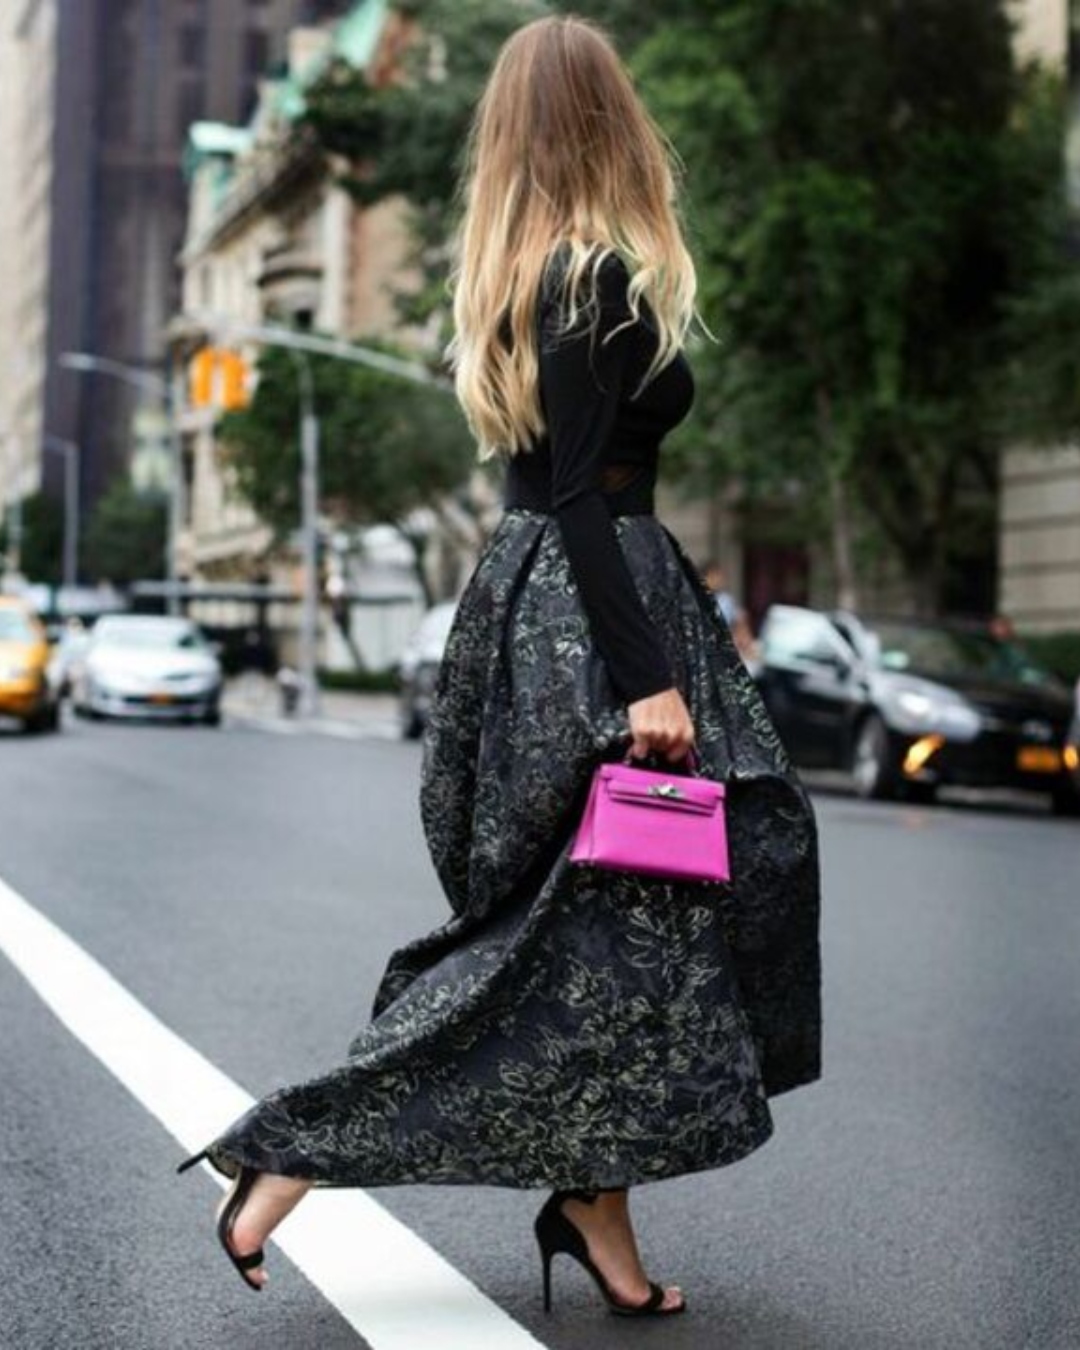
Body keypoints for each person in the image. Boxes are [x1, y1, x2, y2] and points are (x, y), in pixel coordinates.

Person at [179, 15, 821, 1320]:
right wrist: (647, 682)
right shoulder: (592, 279)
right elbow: (583, 495)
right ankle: (289, 1150)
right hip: (593, 617)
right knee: (583, 928)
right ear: (606, 120)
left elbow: (558, 493)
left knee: (611, 930)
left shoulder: (535, 274)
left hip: (542, 606)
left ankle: (595, 1210)